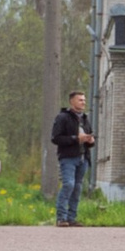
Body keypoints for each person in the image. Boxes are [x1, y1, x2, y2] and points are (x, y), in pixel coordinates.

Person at [50, 90, 94, 227]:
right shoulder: (62, 117)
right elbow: (55, 138)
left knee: (77, 188)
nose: (83, 102)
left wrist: (90, 141)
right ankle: (61, 218)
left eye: (84, 100)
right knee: (68, 184)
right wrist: (76, 139)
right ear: (72, 101)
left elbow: (89, 139)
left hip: (83, 158)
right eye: (80, 100)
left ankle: (71, 218)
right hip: (68, 158)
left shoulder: (85, 119)